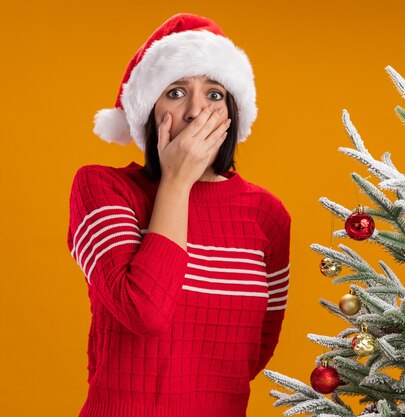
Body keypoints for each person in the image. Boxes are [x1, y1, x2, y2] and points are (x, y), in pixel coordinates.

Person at [66, 13, 291, 417]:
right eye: (175, 92)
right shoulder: (102, 189)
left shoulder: (267, 215)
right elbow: (143, 312)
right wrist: (176, 182)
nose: (193, 112)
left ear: (233, 114)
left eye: (214, 95)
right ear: (148, 111)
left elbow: (251, 355)